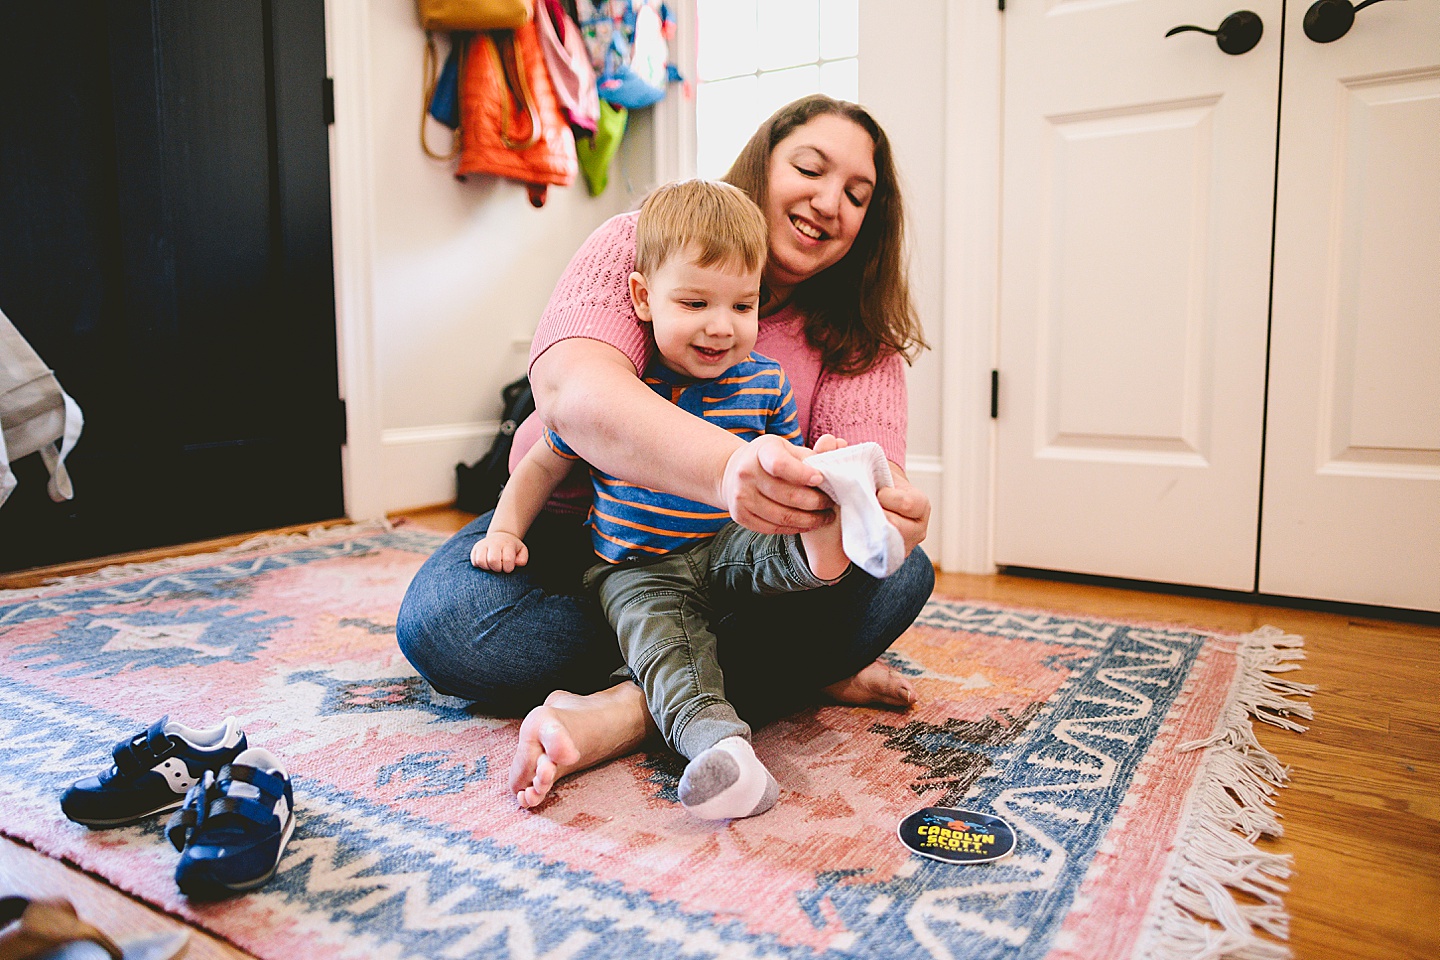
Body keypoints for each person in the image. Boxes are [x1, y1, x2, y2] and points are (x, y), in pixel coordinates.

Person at [397, 94, 934, 810]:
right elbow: (573, 395)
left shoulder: (857, 343)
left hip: (730, 561)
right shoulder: (643, 238)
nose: (830, 200)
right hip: (587, 543)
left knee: (901, 574)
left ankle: (623, 713)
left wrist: (877, 505)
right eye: (810, 167)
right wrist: (725, 469)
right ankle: (784, 670)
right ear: (762, 165)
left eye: (857, 194)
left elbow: (869, 496)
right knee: (445, 624)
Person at [472, 178, 857, 820]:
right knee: (672, 652)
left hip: (728, 544)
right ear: (644, 298)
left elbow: (783, 471)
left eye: (743, 307)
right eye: (695, 302)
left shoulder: (764, 382)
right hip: (639, 568)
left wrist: (817, 475)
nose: (720, 327)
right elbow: (543, 459)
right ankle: (723, 754)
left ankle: (825, 550)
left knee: (793, 552)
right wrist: (506, 529)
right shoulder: (627, 386)